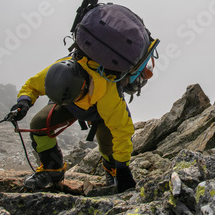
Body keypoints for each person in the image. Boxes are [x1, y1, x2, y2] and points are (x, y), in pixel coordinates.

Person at [11, 55, 137, 193]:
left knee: (109, 144)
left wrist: (122, 168)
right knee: (39, 123)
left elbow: (122, 131)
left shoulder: (108, 93)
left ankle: (112, 168)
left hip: (98, 110)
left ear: (83, 86)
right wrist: (24, 101)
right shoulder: (57, 73)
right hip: (67, 102)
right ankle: (52, 169)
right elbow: (32, 86)